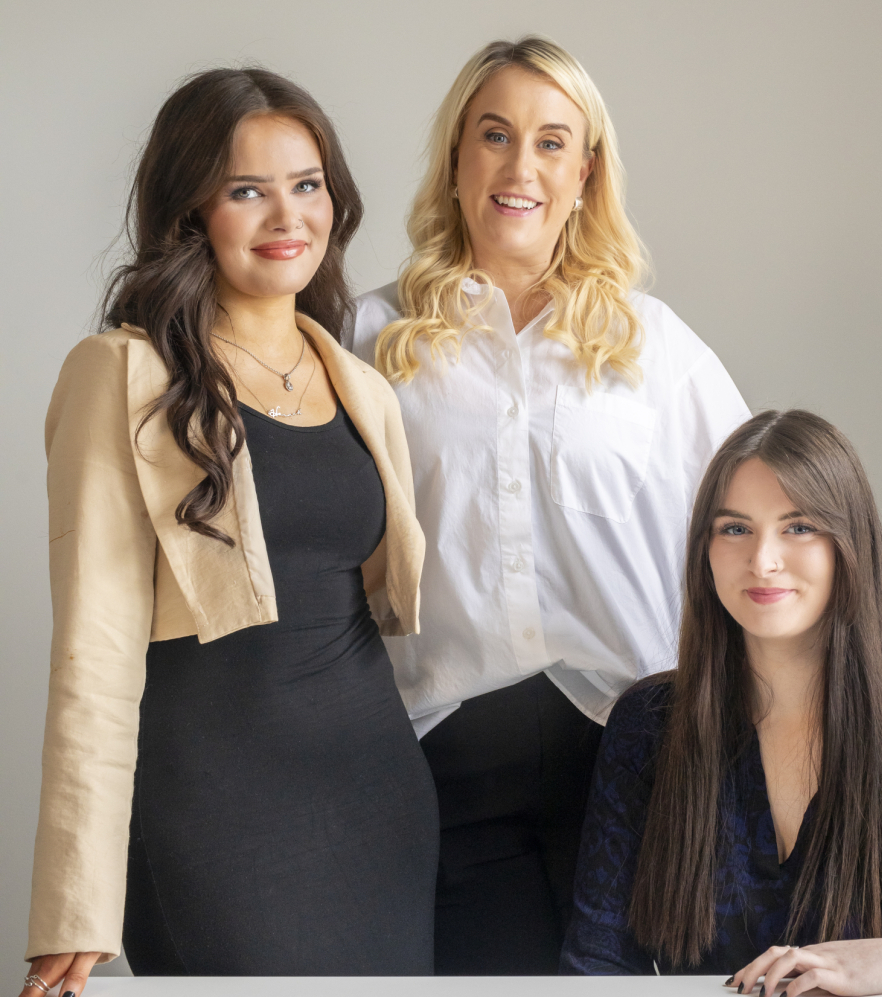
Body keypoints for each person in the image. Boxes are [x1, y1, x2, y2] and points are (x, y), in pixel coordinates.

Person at [21, 68, 437, 997]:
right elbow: (93, 651)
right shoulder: (121, 375)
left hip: (377, 798)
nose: (287, 215)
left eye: (308, 184)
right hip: (213, 814)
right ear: (190, 211)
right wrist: (74, 903)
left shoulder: (360, 384)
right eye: (246, 190)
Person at [345, 36, 750, 975]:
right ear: (456, 159)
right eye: (494, 135)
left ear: (586, 172)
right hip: (447, 761)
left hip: (643, 756)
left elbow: (751, 538)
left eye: (552, 141)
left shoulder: (661, 349)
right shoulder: (369, 334)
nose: (520, 166)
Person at [560, 409, 882, 995]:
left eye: (799, 526)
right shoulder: (649, 724)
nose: (762, 560)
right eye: (735, 529)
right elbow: (597, 965)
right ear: (704, 549)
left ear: (848, 545)